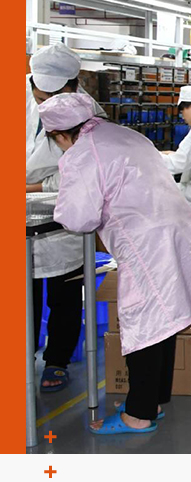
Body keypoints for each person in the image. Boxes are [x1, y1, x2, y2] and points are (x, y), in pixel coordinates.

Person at [42, 93, 191, 435]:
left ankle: (139, 414)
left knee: (145, 325)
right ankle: (152, 400)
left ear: (59, 134)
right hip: (176, 229)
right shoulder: (124, 134)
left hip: (146, 243)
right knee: (167, 316)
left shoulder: (82, 153)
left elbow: (78, 218)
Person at [25, 43, 104, 393]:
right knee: (21, 297)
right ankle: (23, 357)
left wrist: (33, 186)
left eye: (54, 96)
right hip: (22, 218)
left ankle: (56, 361)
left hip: (64, 220)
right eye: (40, 95)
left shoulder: (91, 115)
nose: (46, 103)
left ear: (74, 85)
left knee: (65, 295)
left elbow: (83, 172)